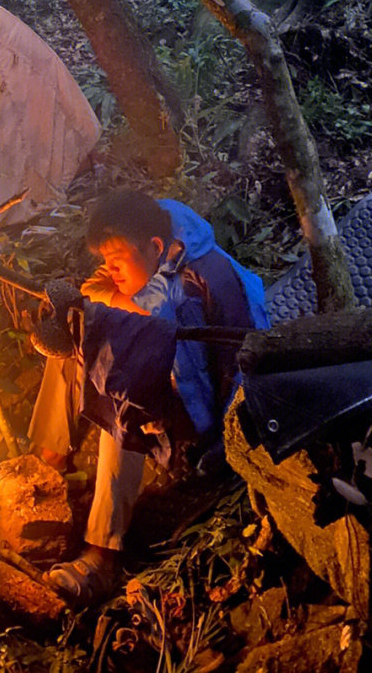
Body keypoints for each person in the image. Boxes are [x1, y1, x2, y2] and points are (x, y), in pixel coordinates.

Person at [28, 192, 268, 606]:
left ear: (155, 247)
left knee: (125, 382)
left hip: (211, 407)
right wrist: (99, 305)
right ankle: (41, 468)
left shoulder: (200, 279)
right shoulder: (157, 235)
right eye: (106, 260)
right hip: (179, 375)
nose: (110, 268)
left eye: (117, 259)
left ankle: (103, 553)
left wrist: (113, 303)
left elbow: (177, 351)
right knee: (80, 334)